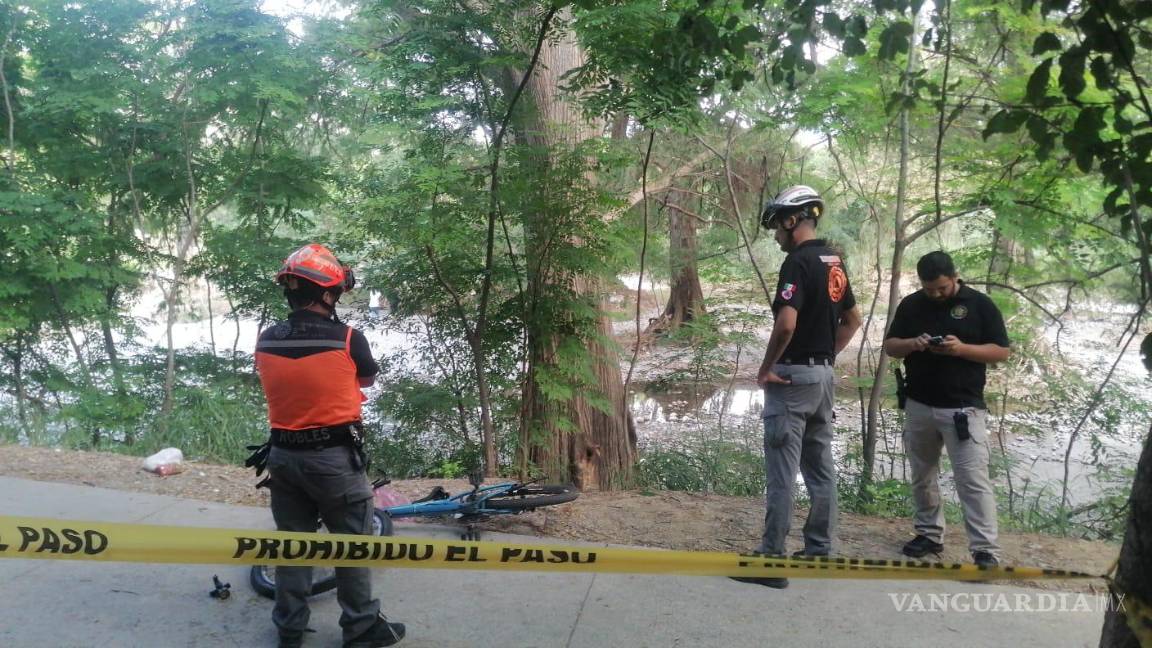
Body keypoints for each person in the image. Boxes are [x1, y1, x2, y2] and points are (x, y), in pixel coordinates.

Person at [254, 243, 405, 648]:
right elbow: (367, 380)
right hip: (334, 461)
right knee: (352, 546)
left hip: (283, 459)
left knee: (293, 546)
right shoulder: (349, 339)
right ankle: (360, 629)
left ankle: (289, 628)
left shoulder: (266, 340)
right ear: (325, 294)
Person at [732, 185, 862, 589]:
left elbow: (786, 324)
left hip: (790, 380)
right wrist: (824, 359)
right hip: (822, 378)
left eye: (776, 226)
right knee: (821, 469)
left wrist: (766, 369)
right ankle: (820, 549)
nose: (775, 235)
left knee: (783, 472)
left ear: (792, 221)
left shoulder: (798, 263)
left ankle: (772, 560)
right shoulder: (834, 261)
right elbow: (853, 321)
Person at [883, 251, 1011, 568]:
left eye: (941, 288)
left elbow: (1001, 351)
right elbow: (890, 345)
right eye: (929, 289)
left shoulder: (980, 305)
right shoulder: (912, 304)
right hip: (919, 403)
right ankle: (929, 534)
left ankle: (985, 551)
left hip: (963, 408)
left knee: (972, 480)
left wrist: (961, 349)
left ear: (954, 277)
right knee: (922, 475)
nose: (936, 294)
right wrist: (914, 343)